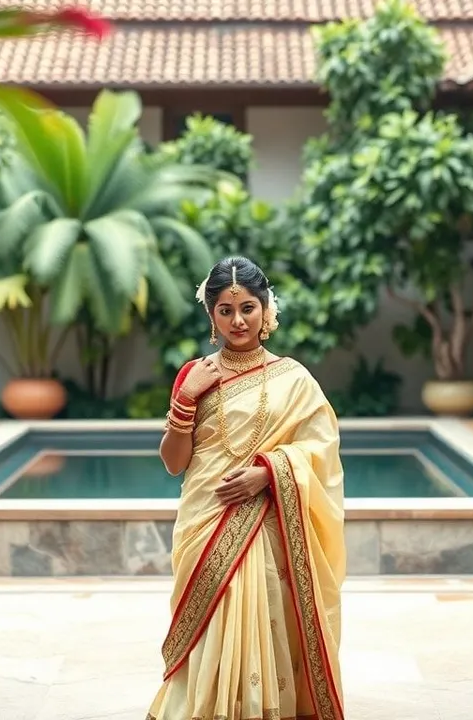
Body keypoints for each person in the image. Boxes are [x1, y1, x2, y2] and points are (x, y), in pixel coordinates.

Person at [146, 256, 347, 720]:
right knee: (215, 620)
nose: (238, 320)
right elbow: (174, 463)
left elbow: (321, 452)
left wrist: (269, 473)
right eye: (225, 310)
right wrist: (184, 399)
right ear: (211, 315)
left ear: (265, 309)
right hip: (205, 521)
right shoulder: (194, 375)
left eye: (248, 308)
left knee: (263, 618)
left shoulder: (293, 378)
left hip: (266, 523)